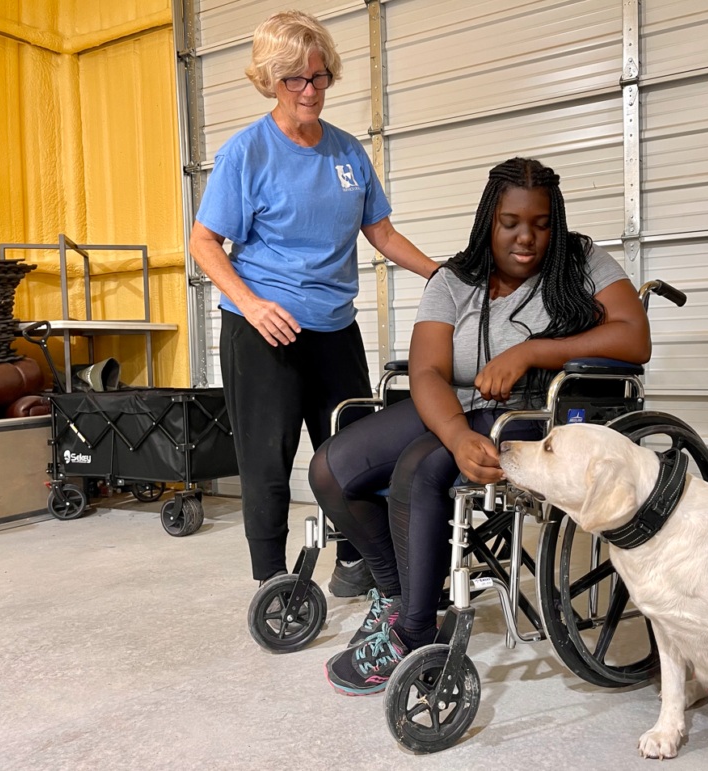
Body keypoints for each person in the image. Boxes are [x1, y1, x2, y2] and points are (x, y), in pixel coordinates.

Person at [308, 157, 652, 694]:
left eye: (541, 224)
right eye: (511, 223)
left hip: (533, 413)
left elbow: (635, 337)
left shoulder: (580, 259)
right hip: (458, 408)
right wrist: (455, 433)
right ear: (488, 220)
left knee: (418, 469)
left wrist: (534, 350)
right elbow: (425, 370)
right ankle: (400, 598)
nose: (526, 238)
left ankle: (416, 637)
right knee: (331, 467)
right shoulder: (454, 279)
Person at [189, 11, 437, 594]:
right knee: (268, 461)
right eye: (294, 81)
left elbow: (381, 232)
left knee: (352, 451)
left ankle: (357, 561)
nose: (310, 92)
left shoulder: (348, 153)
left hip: (334, 328)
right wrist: (251, 305)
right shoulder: (245, 154)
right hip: (264, 332)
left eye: (319, 78)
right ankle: (270, 579)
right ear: (270, 81)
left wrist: (442, 272)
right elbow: (203, 242)